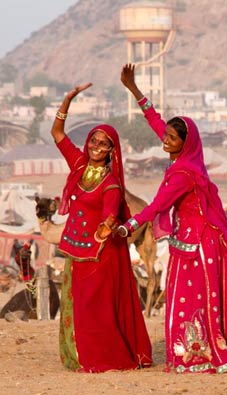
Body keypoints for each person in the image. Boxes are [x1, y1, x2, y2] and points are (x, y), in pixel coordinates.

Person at [118, 64, 227, 374]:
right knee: (189, 301)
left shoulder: (183, 173)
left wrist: (128, 226)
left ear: (183, 143)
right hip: (189, 241)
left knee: (189, 302)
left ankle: (200, 357)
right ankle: (201, 354)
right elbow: (156, 122)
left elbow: (156, 206)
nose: (166, 140)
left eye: (172, 138)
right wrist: (134, 90)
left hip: (199, 245)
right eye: (167, 136)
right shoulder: (186, 159)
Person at [51, 83, 153, 372]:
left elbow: (110, 213)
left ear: (112, 151)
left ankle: (101, 357)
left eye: (103, 144)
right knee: (77, 304)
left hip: (99, 253)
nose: (97, 147)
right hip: (77, 249)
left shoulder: (110, 183)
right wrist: (67, 99)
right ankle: (81, 355)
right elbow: (57, 134)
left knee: (94, 308)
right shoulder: (79, 165)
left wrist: (107, 225)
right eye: (94, 141)